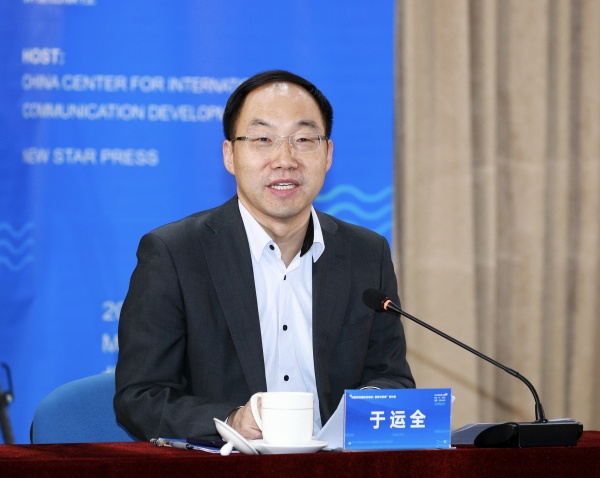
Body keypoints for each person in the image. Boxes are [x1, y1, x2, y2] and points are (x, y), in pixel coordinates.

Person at [114, 70, 415, 441]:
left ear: (328, 154)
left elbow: (391, 377)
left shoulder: (366, 253)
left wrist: (364, 409)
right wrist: (230, 420)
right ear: (229, 155)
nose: (284, 159)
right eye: (262, 139)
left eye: (303, 139)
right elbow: (140, 397)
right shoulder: (175, 254)